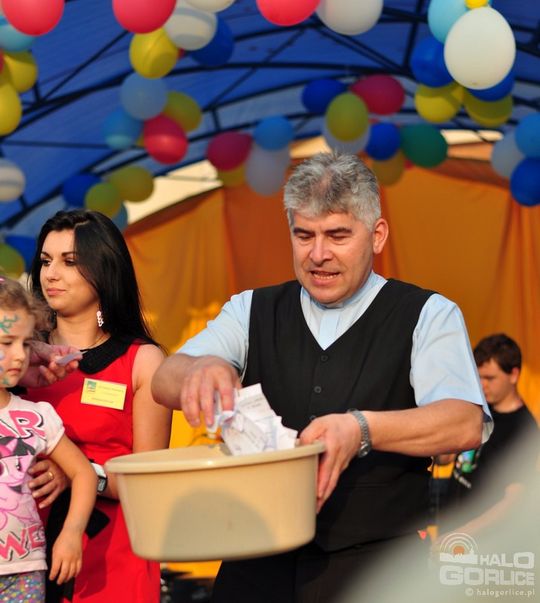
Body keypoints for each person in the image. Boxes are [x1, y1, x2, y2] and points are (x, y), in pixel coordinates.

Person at [151, 152, 492, 603]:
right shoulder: (252, 309)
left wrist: (361, 428)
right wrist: (201, 367)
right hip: (256, 561)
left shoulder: (428, 314)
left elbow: (464, 422)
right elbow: (164, 379)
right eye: (304, 235)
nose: (318, 255)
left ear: (377, 235)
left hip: (379, 568)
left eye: (337, 235)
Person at [23, 209, 172, 603]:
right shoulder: (18, 357)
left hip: (111, 560)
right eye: (46, 261)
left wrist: (78, 473)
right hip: (23, 552)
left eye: (69, 262)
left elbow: (150, 483)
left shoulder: (142, 361)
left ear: (104, 269)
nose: (51, 274)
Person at [0, 275, 97, 602]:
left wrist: (71, 533)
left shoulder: (36, 416)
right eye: (7, 343)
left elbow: (83, 473)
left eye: (26, 343)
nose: (19, 356)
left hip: (24, 573)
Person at [436, 333, 539, 536]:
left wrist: (463, 533)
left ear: (514, 375)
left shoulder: (523, 430)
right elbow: (444, 459)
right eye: (478, 377)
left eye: (490, 378)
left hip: (482, 541)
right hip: (451, 526)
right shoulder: (478, 408)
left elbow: (512, 502)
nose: (482, 385)